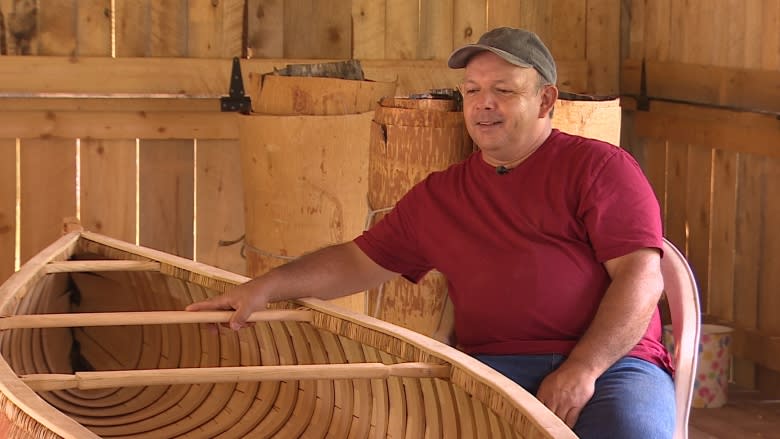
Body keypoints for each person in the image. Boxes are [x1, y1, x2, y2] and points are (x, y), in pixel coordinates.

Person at [187, 27, 676, 438]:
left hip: (613, 364)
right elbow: (358, 260)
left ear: (545, 99)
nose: (484, 104)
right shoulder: (443, 195)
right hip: (491, 369)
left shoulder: (598, 167)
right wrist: (264, 287)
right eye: (472, 90)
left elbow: (642, 277)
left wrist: (582, 370)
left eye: (503, 90)